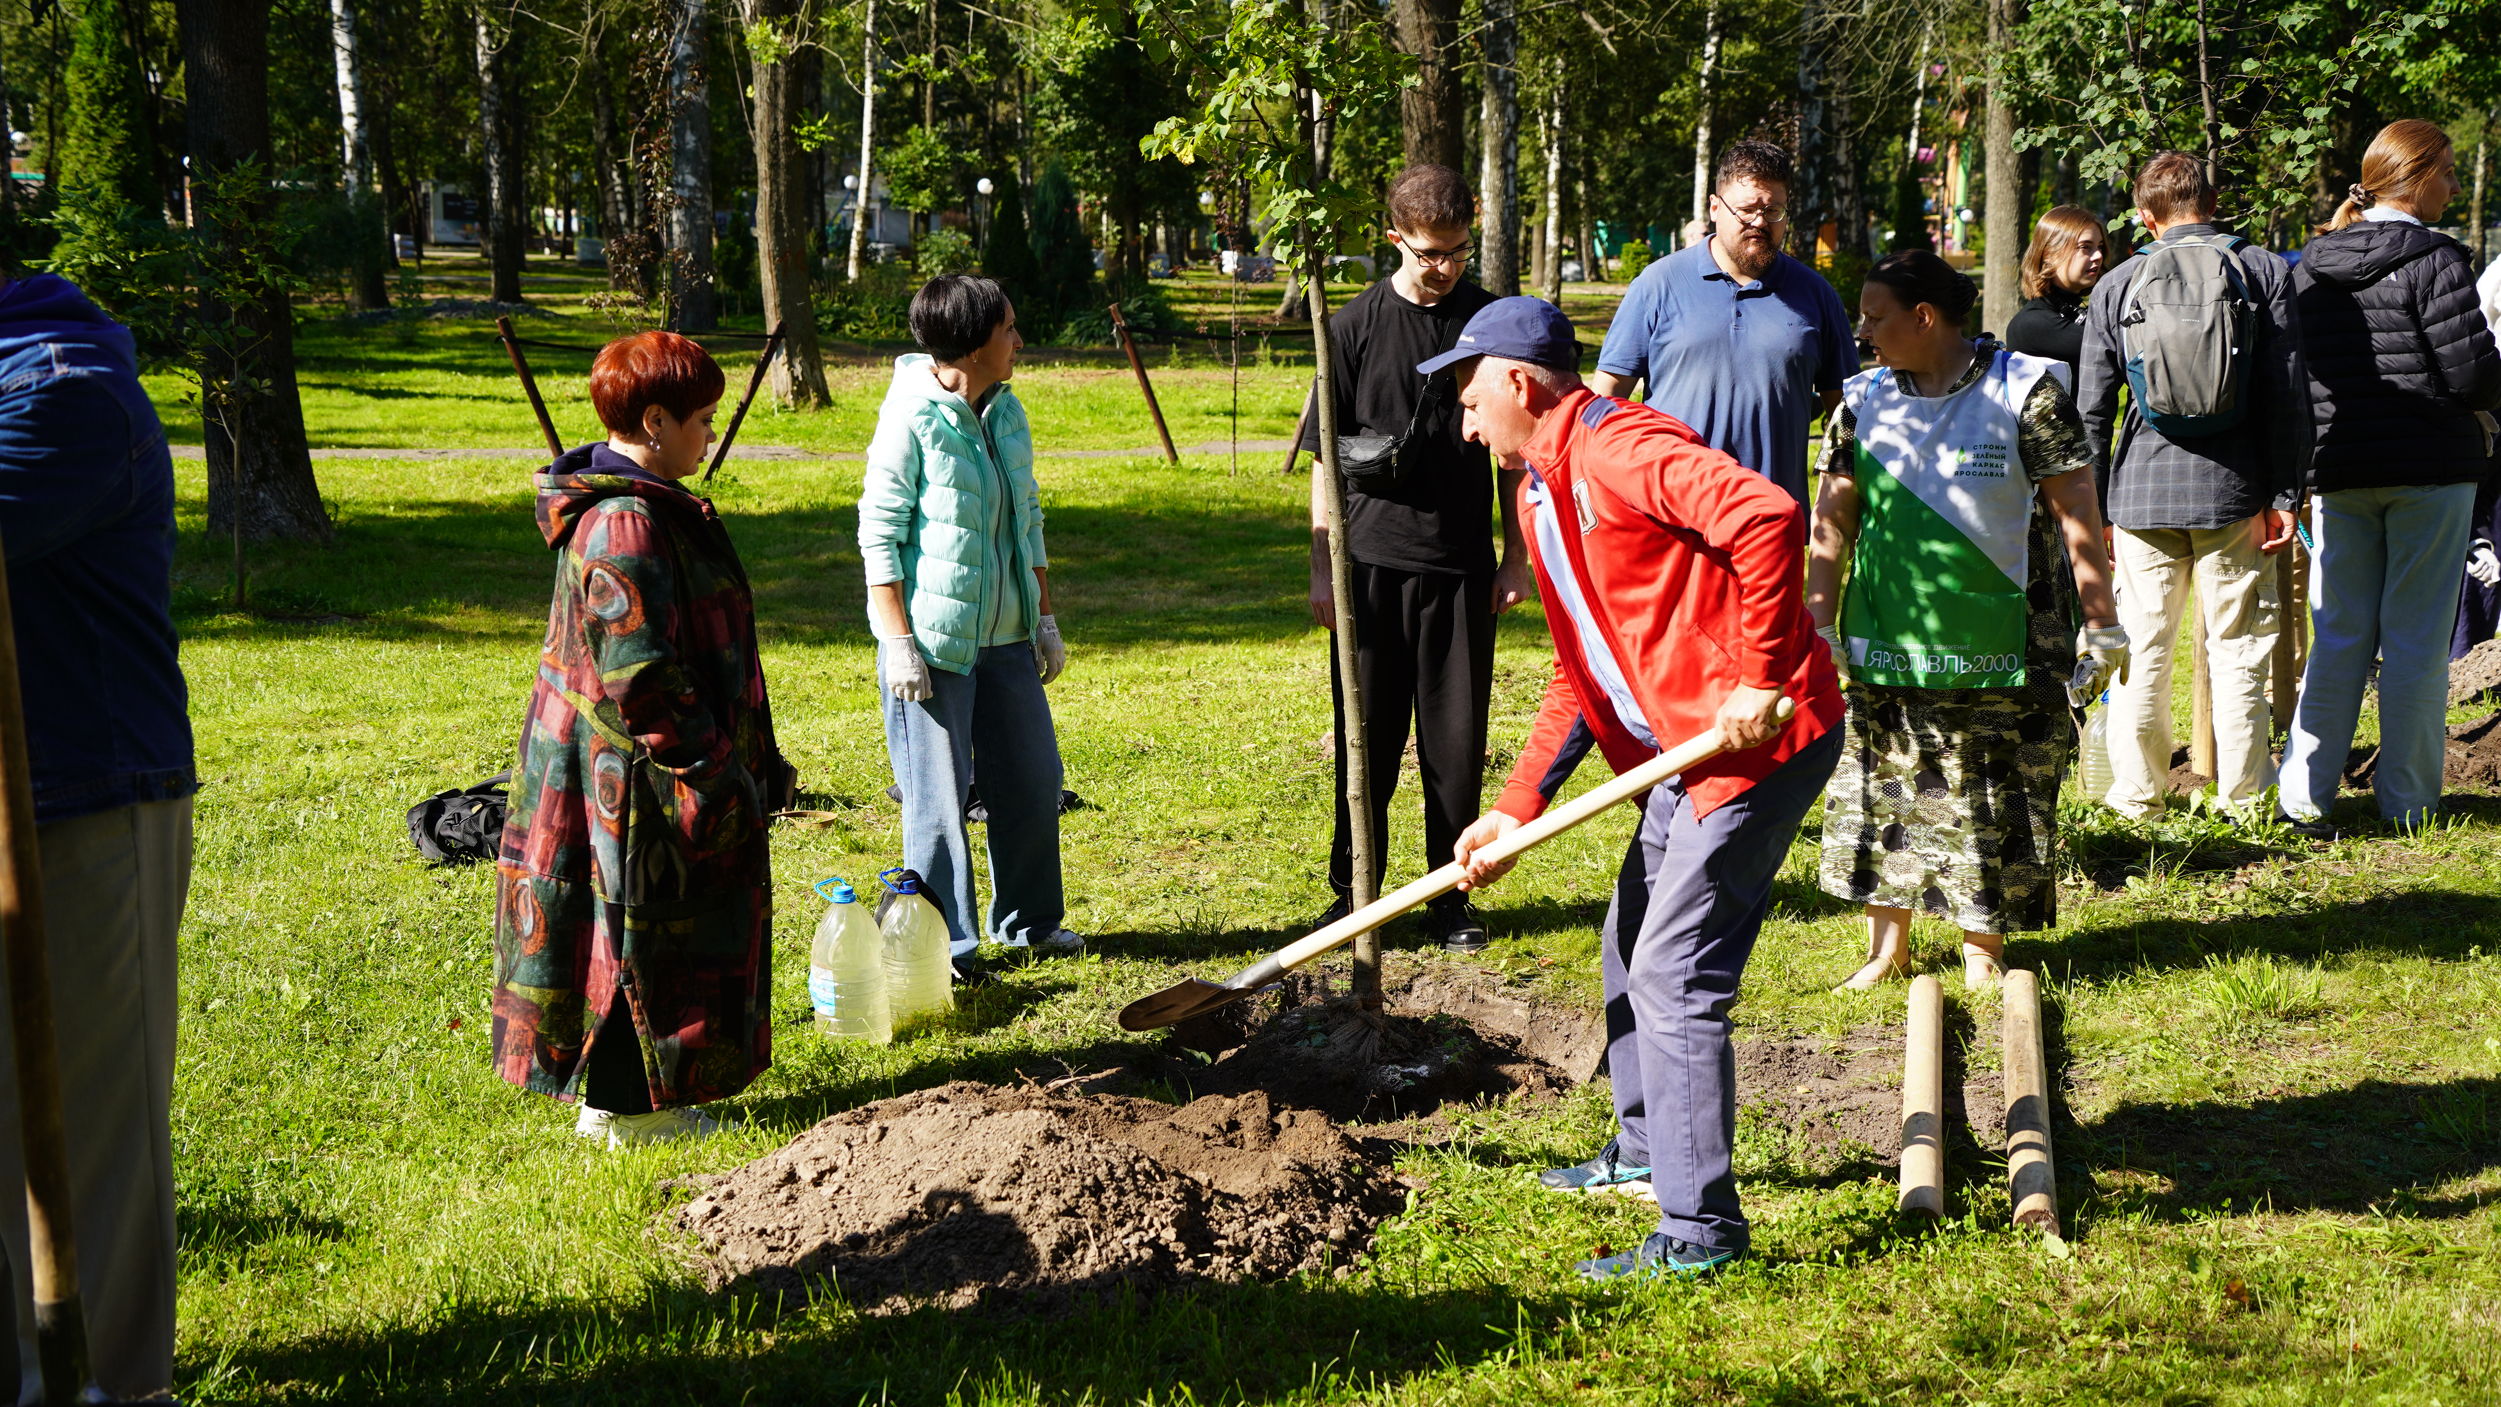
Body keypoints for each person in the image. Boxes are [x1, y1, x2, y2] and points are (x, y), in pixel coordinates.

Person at [1435, 298, 1846, 1280]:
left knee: (1673, 973)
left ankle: (1699, 1229)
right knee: (1629, 941)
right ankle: (1644, 1151)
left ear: (1520, 383)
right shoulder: (1539, 493)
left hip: (1754, 742)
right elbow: (1579, 672)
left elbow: (1766, 515)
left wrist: (1756, 675)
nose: (1463, 419)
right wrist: (1512, 809)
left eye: (1469, 394)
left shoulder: (1620, 450)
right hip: (1681, 751)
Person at [492, 330, 793, 1149]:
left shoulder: (652, 501)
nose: (712, 431)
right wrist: (711, 770)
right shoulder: (623, 521)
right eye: (700, 418)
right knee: (633, 927)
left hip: (642, 758)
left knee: (648, 921)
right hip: (630, 767)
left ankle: (634, 1100)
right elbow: (642, 675)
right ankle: (628, 1110)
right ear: (653, 422)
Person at [1807, 252, 2124, 990]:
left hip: (2010, 634)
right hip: (1888, 634)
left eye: (1875, 315)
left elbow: (2075, 509)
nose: (1862, 331)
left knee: (1995, 785)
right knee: (1884, 782)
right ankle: (1886, 950)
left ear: (1924, 318)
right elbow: (1833, 517)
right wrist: (1818, 620)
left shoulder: (2025, 390)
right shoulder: (1860, 400)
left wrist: (2101, 621)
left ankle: (1983, 947)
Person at [0, 273, 191, 1399]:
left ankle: (111, 1385)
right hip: (20, 798)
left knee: (88, 1125)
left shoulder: (64, 394)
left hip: (83, 808)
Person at [1297, 163, 1528, 951]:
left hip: (1460, 566)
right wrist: (1321, 564)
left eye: (1458, 251)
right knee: (1366, 736)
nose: (1445, 268)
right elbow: (1325, 456)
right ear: (1394, 239)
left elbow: (1514, 459)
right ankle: (1354, 890)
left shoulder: (1491, 323)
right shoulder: (1350, 328)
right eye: (1430, 253)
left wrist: (1514, 557)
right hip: (1369, 568)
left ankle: (1450, 895)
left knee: (1454, 744)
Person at [2280, 120, 2501, 834]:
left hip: (2340, 467)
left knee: (2338, 634)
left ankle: (2303, 797)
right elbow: (2470, 374)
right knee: (2414, 638)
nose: (2455, 185)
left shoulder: (2308, 265)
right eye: (2446, 172)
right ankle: (2406, 801)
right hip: (2429, 468)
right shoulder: (2435, 259)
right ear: (2414, 176)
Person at [2077, 151, 2311, 819]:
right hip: (2235, 493)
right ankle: (2243, 800)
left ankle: (2135, 799)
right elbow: (2287, 394)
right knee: (2237, 647)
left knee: (2142, 651)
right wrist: (2285, 494)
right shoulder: (2261, 269)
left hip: (2139, 497)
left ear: (2145, 216)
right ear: (2211, 203)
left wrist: (2092, 510)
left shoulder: (2118, 282)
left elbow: (2092, 409)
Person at [860, 274, 1083, 967]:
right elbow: (879, 533)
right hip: (933, 647)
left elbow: (1027, 519)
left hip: (1008, 636)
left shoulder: (1005, 409)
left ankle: (1030, 923)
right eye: (1008, 329)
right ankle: (945, 948)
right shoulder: (911, 415)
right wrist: (898, 641)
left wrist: (1043, 615)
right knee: (935, 804)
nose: (1018, 340)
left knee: (1033, 780)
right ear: (973, 341)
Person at [1590, 140, 1856, 506]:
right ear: (1716, 207)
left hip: (1774, 522)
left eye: (1774, 210)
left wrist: (1841, 504)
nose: (1760, 222)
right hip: (1673, 521)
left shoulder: (1817, 295)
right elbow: (1605, 402)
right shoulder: (1658, 284)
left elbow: (1845, 414)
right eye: (1747, 210)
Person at [2005, 205, 2109, 374]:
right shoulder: (2033, 323)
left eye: (2100, 247)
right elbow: (2114, 348)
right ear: (2049, 253)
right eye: (2085, 247)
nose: (2098, 255)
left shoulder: (2071, 311)